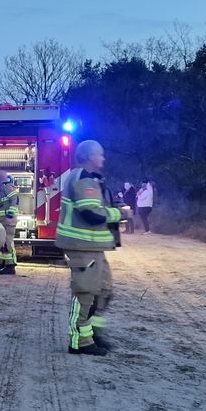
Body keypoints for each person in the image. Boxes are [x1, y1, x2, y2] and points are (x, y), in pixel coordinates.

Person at [56, 140, 123, 357]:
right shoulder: (83, 179)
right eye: (100, 154)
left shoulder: (90, 179)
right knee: (85, 292)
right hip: (82, 246)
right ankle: (80, 341)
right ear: (88, 156)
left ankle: (92, 332)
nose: (103, 158)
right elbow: (91, 214)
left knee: (103, 291)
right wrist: (119, 214)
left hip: (93, 247)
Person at [0, 170, 20, 274]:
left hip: (8, 220)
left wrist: (10, 213)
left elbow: (15, 199)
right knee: (3, 242)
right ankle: (3, 263)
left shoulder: (7, 187)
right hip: (1, 220)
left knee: (7, 241)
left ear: (1, 178)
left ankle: (10, 266)